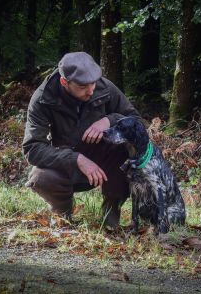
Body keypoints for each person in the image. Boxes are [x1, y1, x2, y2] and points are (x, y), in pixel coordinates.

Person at [22, 52, 140, 227]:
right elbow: (33, 148)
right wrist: (76, 159)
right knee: (41, 178)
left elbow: (137, 123)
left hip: (106, 163)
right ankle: (64, 215)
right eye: (82, 86)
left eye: (93, 82)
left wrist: (110, 120)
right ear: (64, 82)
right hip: (67, 165)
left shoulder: (105, 88)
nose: (91, 90)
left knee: (127, 149)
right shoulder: (43, 99)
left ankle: (111, 214)